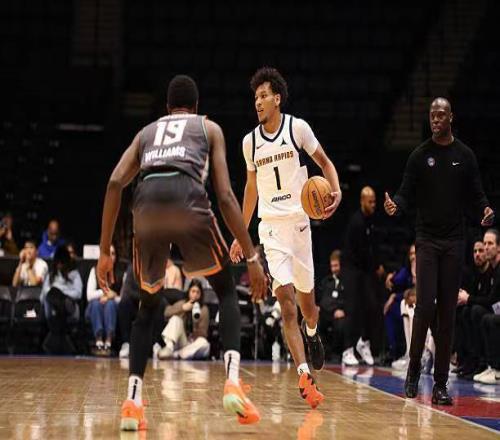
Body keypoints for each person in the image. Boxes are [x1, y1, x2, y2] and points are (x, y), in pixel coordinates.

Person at [97, 74, 267, 431]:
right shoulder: (209, 128)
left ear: (167, 108)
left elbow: (114, 183)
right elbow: (225, 196)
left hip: (146, 205)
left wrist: (104, 252)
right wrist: (251, 257)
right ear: (197, 106)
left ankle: (132, 403)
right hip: (188, 199)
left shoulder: (146, 133)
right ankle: (232, 381)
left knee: (147, 307)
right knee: (225, 290)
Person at [230, 67, 341, 409]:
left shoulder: (297, 128)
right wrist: (241, 234)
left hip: (300, 226)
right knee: (286, 303)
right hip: (271, 230)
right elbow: (250, 189)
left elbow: (325, 163)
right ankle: (304, 374)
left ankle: (313, 333)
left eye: (263, 96)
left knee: (308, 308)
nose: (258, 102)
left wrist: (335, 190)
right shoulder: (250, 142)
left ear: (277, 99)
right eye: (255, 97)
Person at [384, 97, 494, 405]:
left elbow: (477, 193)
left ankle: (441, 385)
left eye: (441, 114)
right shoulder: (420, 156)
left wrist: (485, 209)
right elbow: (405, 194)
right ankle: (413, 372)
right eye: (432, 115)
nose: (435, 119)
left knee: (447, 313)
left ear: (451, 118)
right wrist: (396, 206)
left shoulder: (465, 155)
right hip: (428, 240)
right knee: (424, 306)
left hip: (454, 241)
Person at [341, 186, 384, 366]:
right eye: (370, 201)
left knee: (372, 306)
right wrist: (375, 267)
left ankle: (363, 342)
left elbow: (373, 247)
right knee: (352, 309)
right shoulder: (357, 222)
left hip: (364, 270)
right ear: (362, 201)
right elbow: (361, 253)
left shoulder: (371, 220)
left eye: (374, 201)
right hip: (352, 269)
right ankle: (347, 349)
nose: (373, 204)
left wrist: (378, 265)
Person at [457, 229, 499, 379]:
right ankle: (474, 362)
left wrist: (468, 298)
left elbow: (491, 300)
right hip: (496, 310)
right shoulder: (492, 269)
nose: (486, 247)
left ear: (498, 247)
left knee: (481, 314)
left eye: (490, 244)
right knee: (467, 311)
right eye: (485, 243)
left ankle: (493, 367)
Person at [453, 239, 491, 377]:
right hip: (479, 310)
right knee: (462, 311)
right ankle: (466, 360)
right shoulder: (475, 274)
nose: (477, 254)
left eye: (480, 251)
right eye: (475, 251)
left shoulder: (492, 272)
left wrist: (468, 298)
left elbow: (490, 300)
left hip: (490, 311)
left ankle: (481, 362)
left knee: (474, 311)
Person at [41, 246, 83, 354]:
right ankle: (66, 343)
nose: (59, 264)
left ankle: (50, 343)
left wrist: (62, 293)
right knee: (52, 295)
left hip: (68, 306)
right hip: (52, 306)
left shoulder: (74, 274)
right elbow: (45, 293)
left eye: (62, 262)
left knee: (61, 298)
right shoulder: (51, 275)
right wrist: (56, 294)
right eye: (58, 262)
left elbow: (78, 293)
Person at [86, 244, 124, 356]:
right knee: (95, 304)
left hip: (114, 307)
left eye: (113, 254)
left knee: (110, 304)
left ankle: (108, 342)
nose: (110, 257)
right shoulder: (94, 270)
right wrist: (105, 292)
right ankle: (98, 341)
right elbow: (89, 295)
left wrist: (113, 296)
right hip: (94, 307)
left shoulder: (122, 273)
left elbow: (123, 299)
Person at [158, 278, 210, 360]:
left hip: (193, 343)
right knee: (175, 319)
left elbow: (204, 333)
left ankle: (176, 355)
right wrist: (182, 308)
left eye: (198, 292)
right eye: (193, 291)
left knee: (204, 344)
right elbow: (166, 313)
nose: (195, 295)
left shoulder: (204, 309)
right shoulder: (183, 303)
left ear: (201, 294)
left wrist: (196, 321)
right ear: (189, 292)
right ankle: (169, 348)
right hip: (181, 340)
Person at [384, 244, 416, 365]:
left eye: (415, 253)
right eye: (411, 254)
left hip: (424, 302)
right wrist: (391, 276)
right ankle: (395, 350)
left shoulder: (426, 268)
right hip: (408, 301)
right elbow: (396, 280)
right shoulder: (407, 270)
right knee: (394, 308)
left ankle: (415, 354)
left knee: (408, 307)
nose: (413, 257)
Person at [316, 250, 350, 363]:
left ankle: (336, 354)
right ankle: (323, 353)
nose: (334, 269)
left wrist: (343, 310)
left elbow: (349, 300)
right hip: (325, 313)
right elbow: (320, 299)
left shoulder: (347, 282)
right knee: (315, 324)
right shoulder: (326, 281)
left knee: (340, 324)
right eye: (332, 266)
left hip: (339, 314)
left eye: (336, 266)